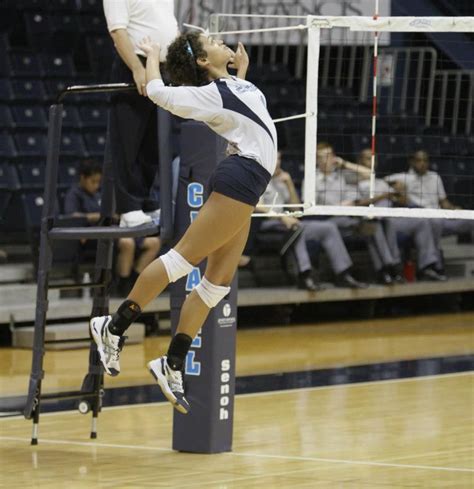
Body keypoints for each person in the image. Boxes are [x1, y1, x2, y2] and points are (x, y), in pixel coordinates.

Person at [90, 32, 274, 414]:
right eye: (211, 40)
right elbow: (158, 93)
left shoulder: (234, 84)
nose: (220, 39)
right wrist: (153, 57)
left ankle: (171, 362)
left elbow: (245, 107)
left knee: (216, 284)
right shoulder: (209, 93)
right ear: (203, 62)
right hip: (240, 177)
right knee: (181, 261)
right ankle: (114, 326)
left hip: (251, 182)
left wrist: (239, 69)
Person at [103, 0, 179, 227]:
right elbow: (118, 32)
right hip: (135, 64)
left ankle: (146, 200)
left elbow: (168, 26)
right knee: (128, 141)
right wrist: (137, 68)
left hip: (163, 66)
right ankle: (128, 207)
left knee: (154, 142)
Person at [258, 151, 366, 290]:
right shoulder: (260, 177)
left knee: (328, 228)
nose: (277, 162)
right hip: (267, 223)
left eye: (279, 158)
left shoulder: (283, 179)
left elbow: (297, 210)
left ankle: (343, 274)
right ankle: (305, 276)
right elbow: (257, 206)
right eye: (274, 158)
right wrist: (281, 217)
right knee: (297, 229)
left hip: (289, 222)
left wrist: (290, 184)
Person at [64, 160, 161, 295]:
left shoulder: (100, 194)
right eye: (93, 181)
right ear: (83, 178)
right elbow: (72, 216)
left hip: (114, 230)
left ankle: (135, 280)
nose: (96, 185)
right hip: (93, 235)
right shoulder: (74, 194)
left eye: (98, 182)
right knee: (127, 243)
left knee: (153, 243)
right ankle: (123, 285)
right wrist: (96, 216)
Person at [315, 142, 401, 284]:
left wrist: (345, 164)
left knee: (373, 227)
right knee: (371, 225)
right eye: (323, 157)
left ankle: (384, 270)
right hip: (329, 218)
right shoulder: (313, 178)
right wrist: (337, 206)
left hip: (350, 218)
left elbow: (369, 174)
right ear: (316, 160)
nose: (327, 160)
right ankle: (390, 267)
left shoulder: (341, 175)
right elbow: (308, 206)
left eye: (330, 156)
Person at [355, 149, 446, 281]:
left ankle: (427, 266)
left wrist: (401, 193)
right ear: (359, 161)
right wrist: (384, 195)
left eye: (374, 158)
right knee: (378, 226)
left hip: (390, 217)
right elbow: (356, 204)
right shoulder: (354, 180)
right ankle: (390, 268)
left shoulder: (381, 182)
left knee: (422, 221)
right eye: (368, 159)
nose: (372, 162)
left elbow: (403, 201)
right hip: (368, 220)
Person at [385, 150, 474, 270]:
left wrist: (456, 210)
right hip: (423, 217)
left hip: (441, 216)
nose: (422, 163)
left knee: (471, 220)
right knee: (434, 221)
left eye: (425, 160)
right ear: (411, 162)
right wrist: (394, 185)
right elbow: (380, 181)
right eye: (419, 160)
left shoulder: (435, 177)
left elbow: (444, 202)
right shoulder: (404, 177)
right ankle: (437, 265)